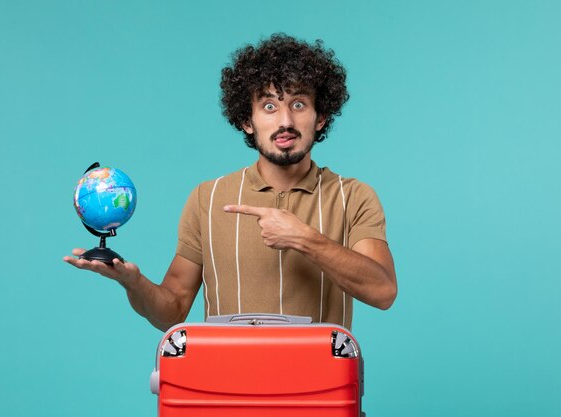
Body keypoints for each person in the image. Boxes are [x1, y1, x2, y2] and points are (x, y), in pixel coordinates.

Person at [64, 34, 397, 331]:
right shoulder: (207, 199)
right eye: (269, 106)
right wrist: (133, 283)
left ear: (320, 117)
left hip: (318, 391)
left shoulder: (354, 197)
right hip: (227, 389)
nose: (285, 121)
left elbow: (383, 292)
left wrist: (306, 239)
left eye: (299, 104)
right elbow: (172, 311)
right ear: (246, 121)